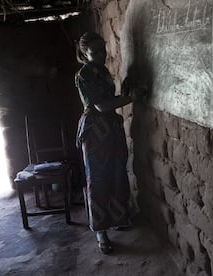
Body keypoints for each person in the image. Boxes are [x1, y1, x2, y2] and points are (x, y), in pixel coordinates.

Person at [75, 32, 133, 254]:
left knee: (118, 173)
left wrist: (123, 93)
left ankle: (119, 218)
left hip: (111, 128)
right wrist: (130, 98)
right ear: (84, 53)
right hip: (95, 132)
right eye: (95, 51)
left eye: (103, 49)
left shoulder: (103, 71)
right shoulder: (83, 75)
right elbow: (100, 106)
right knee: (97, 180)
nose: (101, 54)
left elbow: (110, 99)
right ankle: (101, 231)